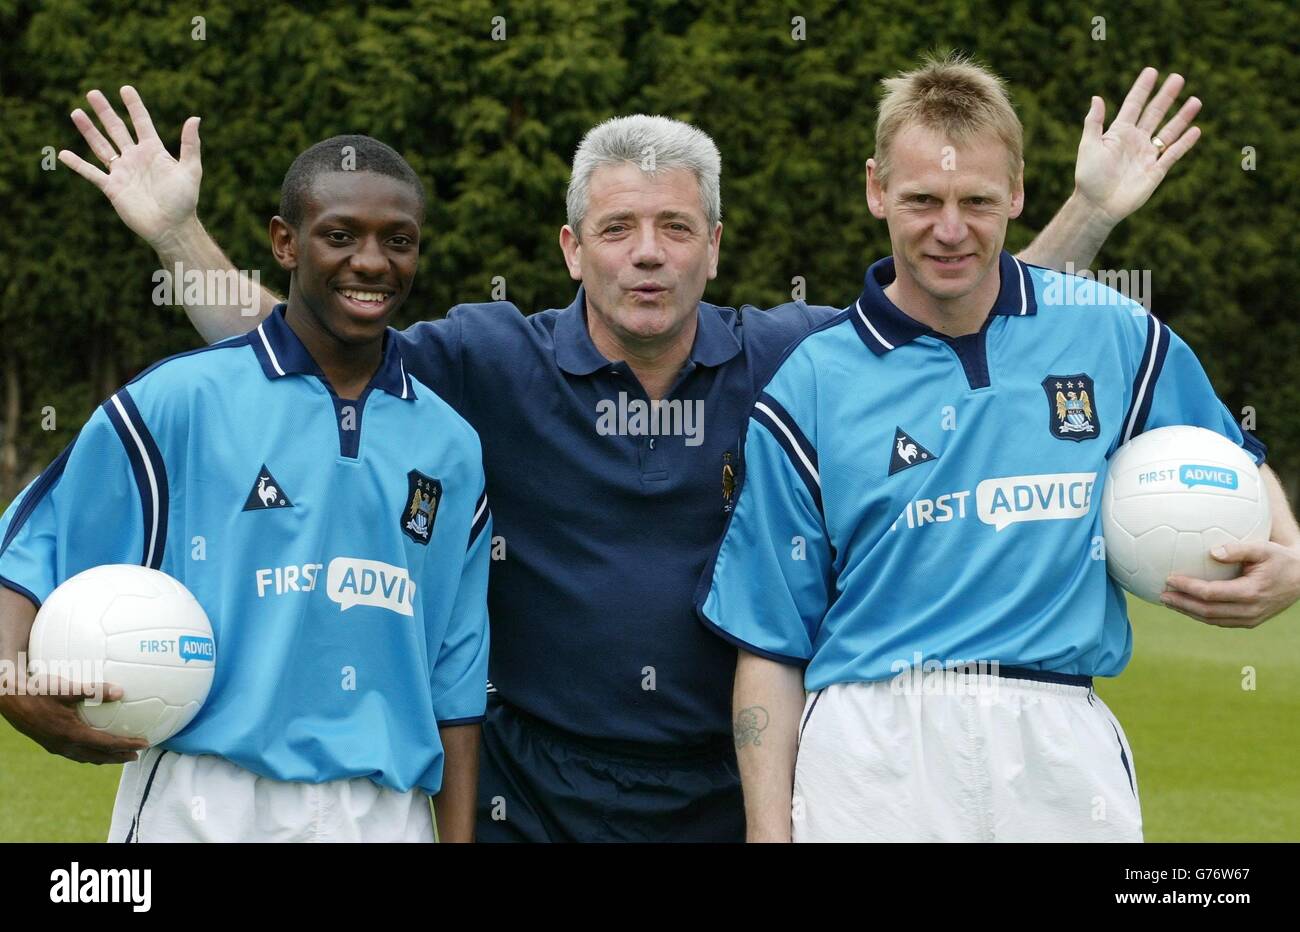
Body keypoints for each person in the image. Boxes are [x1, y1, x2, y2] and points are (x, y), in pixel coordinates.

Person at [49, 67, 1217, 841]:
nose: (644, 255)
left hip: (731, 787)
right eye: (616, 228)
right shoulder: (487, 357)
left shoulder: (798, 360)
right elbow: (304, 354)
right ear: (571, 244)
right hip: (534, 791)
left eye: (673, 228)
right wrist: (174, 233)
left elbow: (967, 307)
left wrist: (1089, 212)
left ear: (716, 243)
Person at [695, 53, 1300, 842]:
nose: (950, 230)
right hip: (870, 755)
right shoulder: (812, 383)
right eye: (922, 200)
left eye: (977, 200)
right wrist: (769, 835)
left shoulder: (1112, 332)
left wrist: (1290, 554)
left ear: (1016, 191)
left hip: (1059, 743)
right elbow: (771, 644)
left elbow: (1233, 459)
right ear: (876, 188)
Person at [0, 135, 491, 842]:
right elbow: (25, 554)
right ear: (286, 244)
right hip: (204, 800)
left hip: (383, 815)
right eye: (341, 235)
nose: (372, 261)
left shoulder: (452, 446)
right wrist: (19, 696)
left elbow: (456, 676)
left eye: (400, 240)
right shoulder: (180, 401)